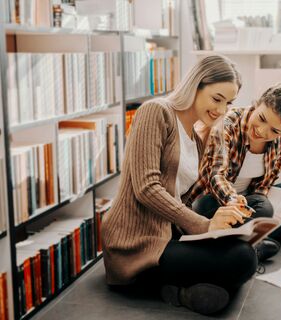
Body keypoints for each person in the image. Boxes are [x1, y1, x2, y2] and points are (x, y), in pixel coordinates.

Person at [101, 55, 258, 315]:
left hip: (168, 235)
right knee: (242, 259)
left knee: (244, 251)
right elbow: (146, 187)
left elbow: (182, 199)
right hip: (137, 243)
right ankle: (160, 283)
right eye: (216, 98)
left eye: (228, 103)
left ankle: (178, 289)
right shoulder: (155, 112)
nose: (221, 110)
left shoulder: (196, 139)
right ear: (195, 85)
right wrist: (202, 226)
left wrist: (217, 227)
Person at [191, 73, 281, 260]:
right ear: (258, 103)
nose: (262, 131)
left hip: (251, 199)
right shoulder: (228, 124)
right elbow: (215, 175)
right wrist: (233, 200)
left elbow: (264, 185)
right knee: (261, 209)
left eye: (274, 130)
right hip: (216, 200)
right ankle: (260, 238)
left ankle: (245, 240)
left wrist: (256, 202)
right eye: (262, 118)